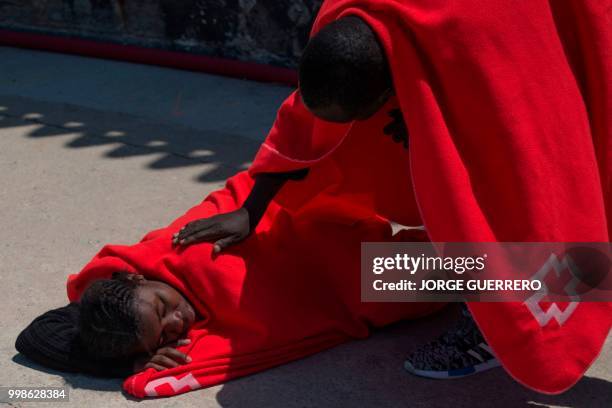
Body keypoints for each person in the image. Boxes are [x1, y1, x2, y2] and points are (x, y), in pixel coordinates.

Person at [172, 15, 496, 380]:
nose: (174, 323)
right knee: (402, 275)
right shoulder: (344, 30)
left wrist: (431, 114)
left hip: (359, 268)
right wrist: (251, 209)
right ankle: (506, 287)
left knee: (496, 205)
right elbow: (298, 126)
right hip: (357, 272)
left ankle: (518, 306)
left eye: (160, 314)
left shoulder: (467, 48)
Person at [16, 272, 197, 376]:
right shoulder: (121, 306)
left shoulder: (184, 260)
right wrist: (127, 365)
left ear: (136, 278)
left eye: (162, 308)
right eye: (163, 336)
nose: (177, 322)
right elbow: (35, 336)